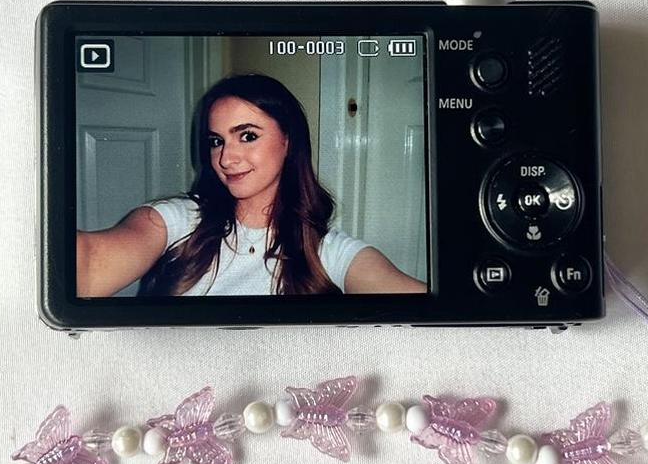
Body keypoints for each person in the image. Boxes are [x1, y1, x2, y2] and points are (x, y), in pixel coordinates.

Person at [76, 73, 426, 298]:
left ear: (288, 141)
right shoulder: (175, 222)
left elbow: (431, 311)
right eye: (216, 141)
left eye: (247, 136)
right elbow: (87, 264)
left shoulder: (327, 252)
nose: (226, 158)